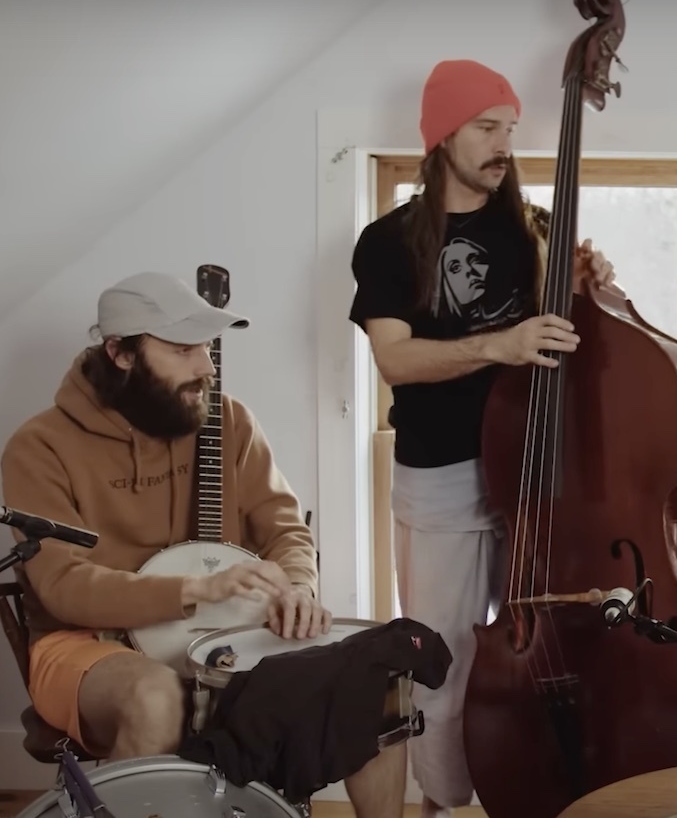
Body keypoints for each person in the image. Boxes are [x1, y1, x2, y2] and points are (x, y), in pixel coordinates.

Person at [1, 271, 406, 818]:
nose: (206, 367)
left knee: (367, 680)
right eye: (182, 349)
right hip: (83, 641)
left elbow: (286, 530)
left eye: (208, 348)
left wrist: (297, 588)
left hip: (222, 632)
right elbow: (63, 586)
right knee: (155, 696)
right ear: (121, 353)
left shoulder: (229, 421)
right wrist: (195, 589)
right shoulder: (39, 446)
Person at [347, 58, 616, 818]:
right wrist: (500, 344)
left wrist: (591, 288)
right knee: (446, 660)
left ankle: (541, 793)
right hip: (441, 473)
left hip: (537, 471)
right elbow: (396, 358)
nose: (504, 145)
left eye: (510, 129)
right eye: (486, 127)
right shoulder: (389, 241)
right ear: (442, 136)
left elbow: (578, 346)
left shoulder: (532, 229)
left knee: (551, 645)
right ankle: (441, 802)